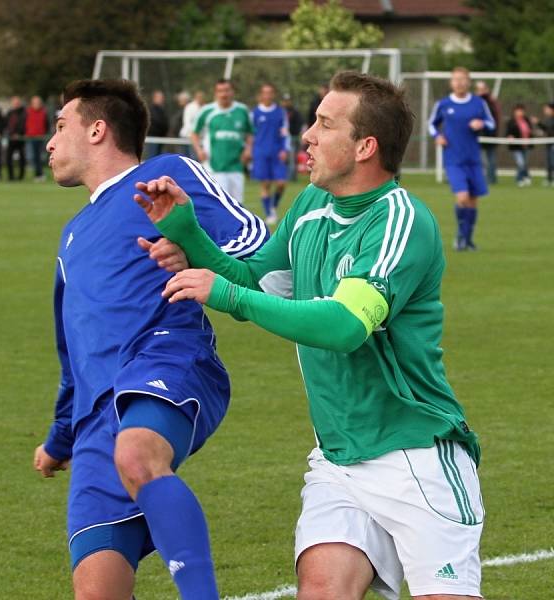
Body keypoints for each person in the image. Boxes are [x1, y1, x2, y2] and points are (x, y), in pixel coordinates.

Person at [136, 70, 483, 600]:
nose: (307, 136)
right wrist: (187, 233)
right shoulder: (308, 208)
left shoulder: (400, 220)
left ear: (365, 146)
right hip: (338, 459)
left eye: (324, 124)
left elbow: (344, 326)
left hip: (414, 456)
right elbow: (256, 282)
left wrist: (226, 295)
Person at [34, 78, 268, 599]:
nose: (49, 142)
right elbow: (72, 357)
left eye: (59, 126)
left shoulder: (164, 176)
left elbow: (260, 250)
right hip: (95, 417)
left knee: (138, 454)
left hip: (166, 356)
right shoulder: (71, 236)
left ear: (97, 130)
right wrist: (59, 440)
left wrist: (195, 249)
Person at [428, 67, 495, 251]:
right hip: (453, 160)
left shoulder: (478, 103)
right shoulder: (443, 104)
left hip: (473, 159)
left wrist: (481, 123)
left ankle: (467, 239)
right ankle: (461, 235)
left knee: (473, 200)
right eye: (456, 79)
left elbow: (491, 123)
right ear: (451, 82)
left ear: (469, 82)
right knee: (463, 197)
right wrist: (437, 137)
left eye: (463, 79)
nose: (459, 83)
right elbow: (431, 124)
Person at [191, 79, 253, 203]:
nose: (224, 94)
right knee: (219, 203)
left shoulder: (242, 110)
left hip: (236, 166)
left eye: (227, 90)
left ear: (232, 92)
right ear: (215, 93)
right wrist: (199, 149)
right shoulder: (207, 111)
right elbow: (194, 133)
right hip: (214, 166)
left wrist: (248, 150)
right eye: (220, 91)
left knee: (237, 204)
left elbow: (250, 132)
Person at [251, 83, 289, 225]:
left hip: (277, 152)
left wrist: (285, 149)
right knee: (265, 184)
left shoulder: (280, 112)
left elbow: (285, 132)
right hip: (260, 152)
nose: (267, 95)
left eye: (270, 92)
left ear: (273, 94)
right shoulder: (254, 113)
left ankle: (273, 205)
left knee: (281, 183)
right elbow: (250, 134)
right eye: (264, 92)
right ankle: (269, 213)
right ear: (261, 95)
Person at [474, 80, 500, 184]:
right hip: (480, 136)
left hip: (489, 135)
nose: (479, 91)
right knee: (484, 160)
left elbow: (493, 120)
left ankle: (490, 179)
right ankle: (485, 179)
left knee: (489, 160)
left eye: (481, 89)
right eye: (478, 89)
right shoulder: (476, 102)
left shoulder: (488, 103)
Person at [505, 103, 533, 187]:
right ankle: (519, 179)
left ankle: (526, 177)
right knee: (520, 163)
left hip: (526, 145)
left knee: (525, 163)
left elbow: (530, 131)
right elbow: (507, 133)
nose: (520, 113)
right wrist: (510, 136)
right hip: (516, 146)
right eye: (518, 111)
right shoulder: (511, 122)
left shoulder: (527, 120)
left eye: (521, 111)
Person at [25, 95, 49, 182]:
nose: (37, 104)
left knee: (40, 157)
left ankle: (40, 174)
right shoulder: (28, 112)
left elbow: (46, 124)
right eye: (35, 102)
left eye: (38, 102)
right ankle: (38, 174)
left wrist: (44, 133)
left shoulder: (43, 112)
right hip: (30, 137)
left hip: (40, 137)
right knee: (33, 157)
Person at [281, 92, 303, 182]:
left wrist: (292, 132)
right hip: (283, 139)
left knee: (292, 159)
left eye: (288, 101)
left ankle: (291, 178)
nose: (286, 102)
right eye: (284, 101)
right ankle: (286, 176)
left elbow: (299, 123)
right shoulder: (280, 112)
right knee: (286, 159)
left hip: (293, 137)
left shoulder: (294, 112)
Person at [5, 95, 26, 181]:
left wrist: (19, 134)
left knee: (22, 158)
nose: (16, 104)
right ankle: (11, 176)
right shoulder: (9, 113)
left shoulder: (24, 113)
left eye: (17, 102)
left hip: (20, 138)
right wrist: (10, 134)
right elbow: (7, 124)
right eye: (14, 102)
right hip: (11, 138)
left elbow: (24, 125)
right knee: (8, 158)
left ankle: (21, 177)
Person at [180, 90, 205, 160]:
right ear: (196, 97)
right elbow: (187, 122)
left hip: (198, 138)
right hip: (187, 136)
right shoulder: (190, 107)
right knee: (188, 159)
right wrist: (194, 134)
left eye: (202, 97)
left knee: (196, 159)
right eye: (199, 96)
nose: (200, 98)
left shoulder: (205, 107)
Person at [146, 89, 169, 158]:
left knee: (159, 159)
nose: (162, 99)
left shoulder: (162, 109)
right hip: (153, 138)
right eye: (160, 97)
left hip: (161, 138)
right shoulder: (151, 109)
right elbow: (157, 122)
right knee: (152, 158)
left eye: (162, 98)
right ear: (154, 98)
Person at [540, 102, 554, 186]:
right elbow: (547, 129)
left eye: (547, 109)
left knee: (552, 162)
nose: (545, 110)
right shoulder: (548, 119)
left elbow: (550, 130)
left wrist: (539, 123)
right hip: (549, 144)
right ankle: (549, 179)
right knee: (549, 162)